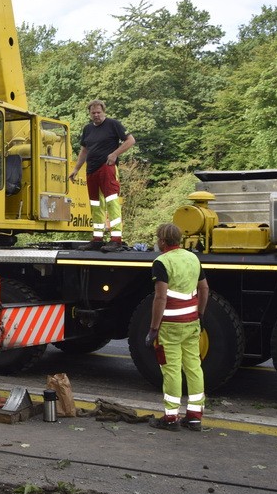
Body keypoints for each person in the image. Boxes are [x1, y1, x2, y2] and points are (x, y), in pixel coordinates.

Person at [146, 223, 209, 432]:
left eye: (158, 238)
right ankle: (194, 417)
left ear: (163, 241)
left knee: (171, 369)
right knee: (193, 367)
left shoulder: (161, 262)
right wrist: (199, 314)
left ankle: (171, 417)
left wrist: (153, 329)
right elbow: (204, 288)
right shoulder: (193, 258)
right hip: (192, 323)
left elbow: (161, 297)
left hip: (170, 326)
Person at [69, 100, 136, 252]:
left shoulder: (113, 124)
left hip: (107, 167)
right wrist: (76, 169)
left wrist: (115, 154)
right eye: (93, 113)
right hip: (91, 170)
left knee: (112, 202)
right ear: (90, 114)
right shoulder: (87, 129)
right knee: (95, 204)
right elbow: (84, 150)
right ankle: (97, 239)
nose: (96, 115)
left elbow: (130, 140)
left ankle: (116, 239)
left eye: (99, 112)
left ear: (103, 111)